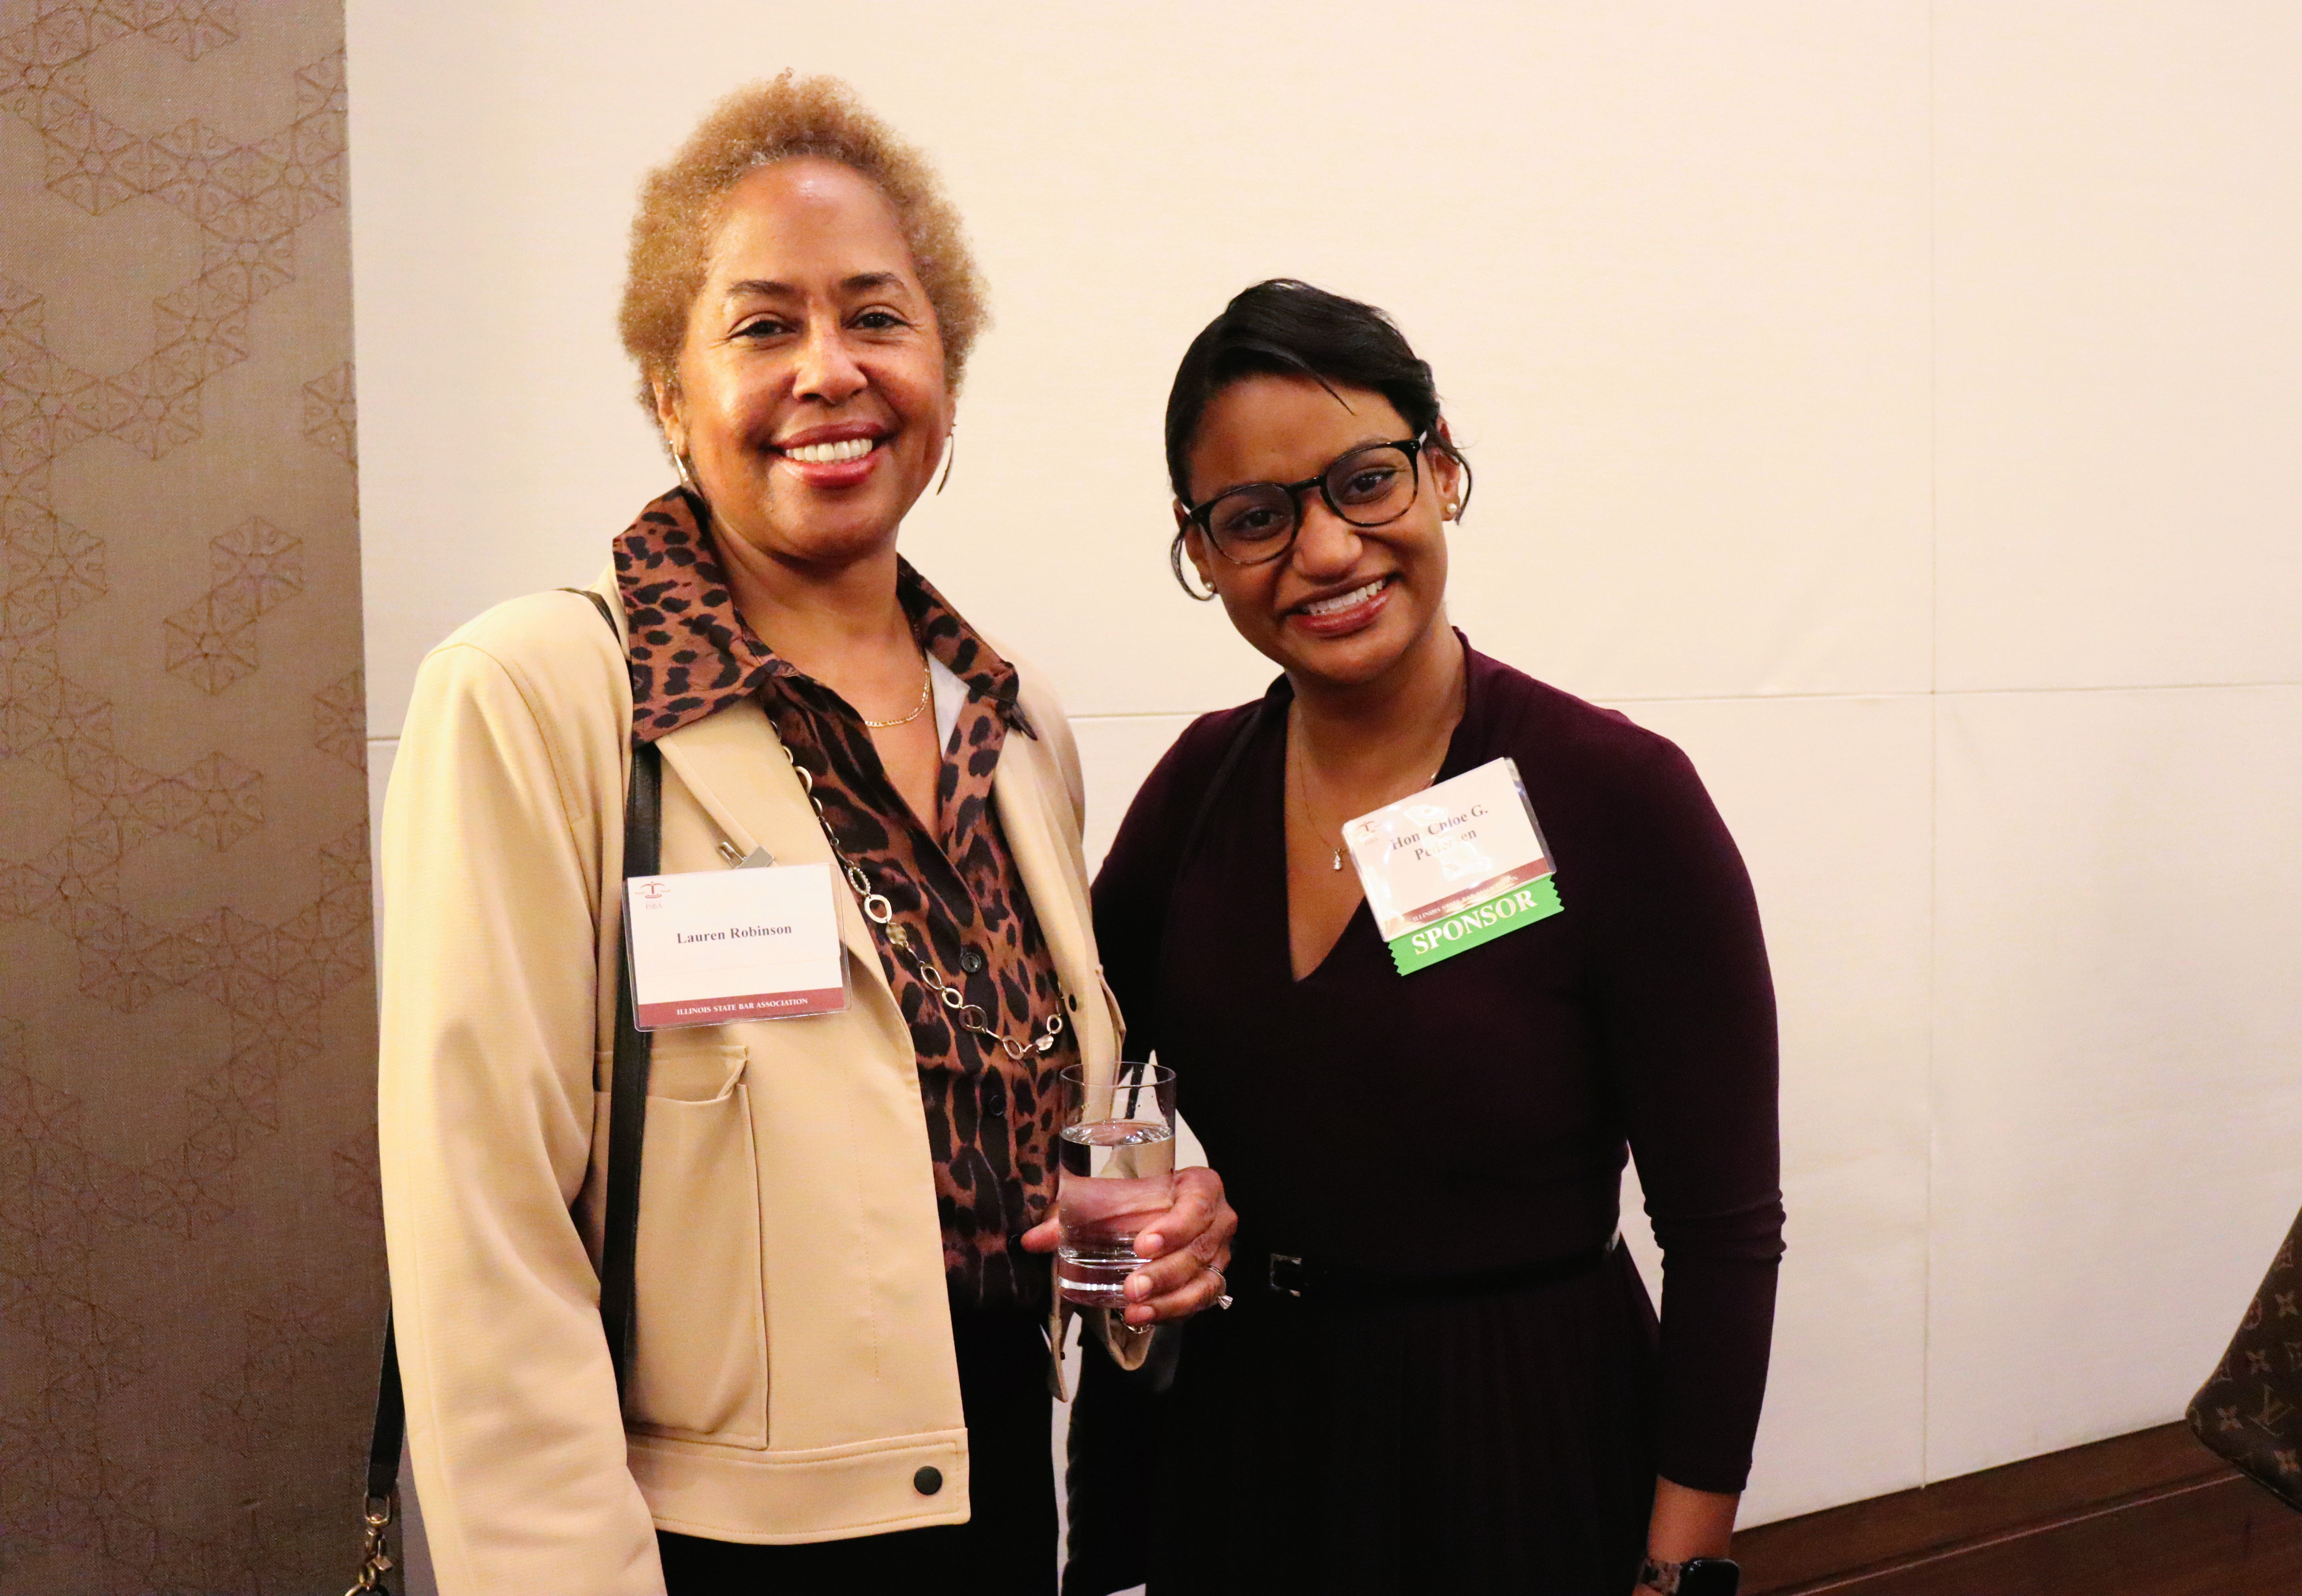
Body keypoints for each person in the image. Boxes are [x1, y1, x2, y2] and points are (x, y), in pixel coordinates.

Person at [377, 75, 1234, 1596]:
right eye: (763, 326)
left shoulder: (1013, 724)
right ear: (668, 392)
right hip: (698, 1548)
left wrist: (1152, 1234)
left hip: (993, 1496)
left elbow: (980, 1128)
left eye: (878, 319)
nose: (829, 372)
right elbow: (481, 1237)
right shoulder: (543, 697)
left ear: (945, 372)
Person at [1064, 280, 1783, 1596]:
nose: (1325, 551)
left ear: (1441, 469)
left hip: (1520, 1439)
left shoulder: (1612, 794)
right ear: (1201, 549)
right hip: (1246, 1445)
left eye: (1363, 483)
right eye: (1256, 517)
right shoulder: (1199, 790)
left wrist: (1679, 1573)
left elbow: (1723, 1235)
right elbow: (1056, 1067)